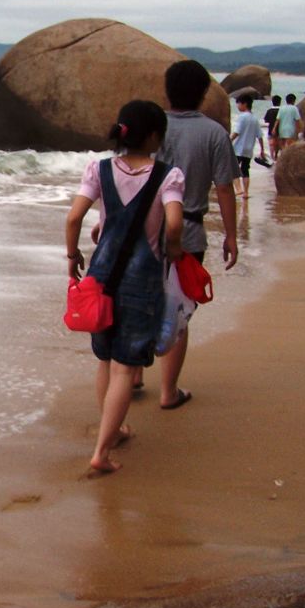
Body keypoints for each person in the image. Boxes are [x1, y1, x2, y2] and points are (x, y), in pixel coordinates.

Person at [66, 100, 185, 473]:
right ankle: (101, 452)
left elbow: (74, 218)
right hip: (141, 283)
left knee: (104, 359)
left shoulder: (99, 170)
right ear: (153, 136)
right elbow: (174, 223)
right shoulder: (167, 176)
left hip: (100, 277)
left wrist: (73, 256)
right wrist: (175, 248)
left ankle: (113, 432)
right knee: (123, 369)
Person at [155, 60, 239, 412]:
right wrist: (231, 237)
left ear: (166, 90)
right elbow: (224, 189)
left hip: (143, 229)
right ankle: (169, 391)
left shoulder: (151, 125)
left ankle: (133, 376)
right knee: (179, 309)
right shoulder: (214, 134)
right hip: (188, 232)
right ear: (205, 93)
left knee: (141, 300)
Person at [229, 94, 266, 198]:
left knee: (233, 169)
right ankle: (246, 193)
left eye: (238, 104)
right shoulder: (255, 119)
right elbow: (260, 136)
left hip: (238, 149)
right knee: (245, 170)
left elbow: (237, 132)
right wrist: (262, 150)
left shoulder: (242, 117)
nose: (237, 106)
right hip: (249, 150)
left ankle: (238, 189)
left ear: (244, 104)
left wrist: (228, 141)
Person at [261, 95, 281, 164]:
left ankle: (272, 157)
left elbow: (266, 120)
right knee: (278, 143)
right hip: (279, 129)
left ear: (272, 102)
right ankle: (276, 155)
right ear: (280, 102)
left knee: (271, 143)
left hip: (270, 129)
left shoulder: (269, 111)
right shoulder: (281, 110)